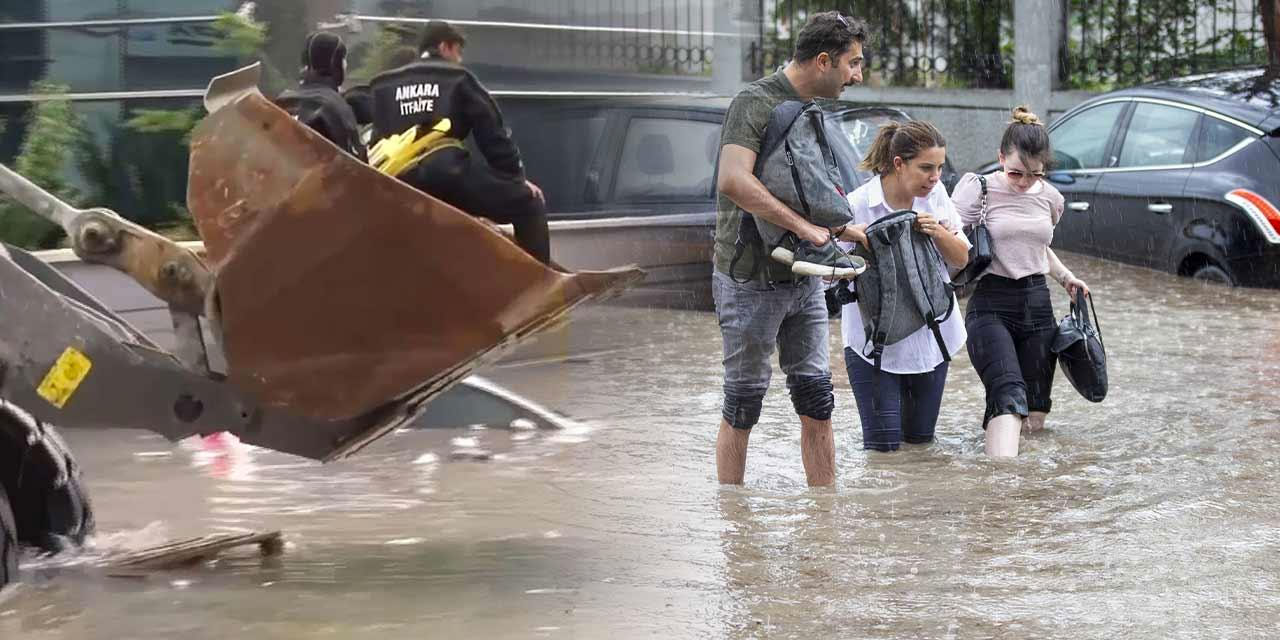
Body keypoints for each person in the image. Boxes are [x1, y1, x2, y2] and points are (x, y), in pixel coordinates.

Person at [712, 11, 869, 487]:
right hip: (750, 279)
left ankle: (825, 521)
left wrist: (843, 230)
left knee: (818, 400)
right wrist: (804, 227)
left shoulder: (813, 110)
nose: (858, 76)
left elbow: (804, 188)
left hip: (804, 276)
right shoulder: (753, 102)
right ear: (823, 61)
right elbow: (733, 180)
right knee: (743, 404)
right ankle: (733, 531)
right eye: (853, 63)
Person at [951, 106, 1091, 458]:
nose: (1024, 182)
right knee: (1008, 393)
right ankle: (1001, 486)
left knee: (1036, 412)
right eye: (1015, 173)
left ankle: (1029, 499)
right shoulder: (977, 190)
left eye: (1034, 174)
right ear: (1000, 158)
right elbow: (947, 237)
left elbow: (1039, 249)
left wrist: (1066, 278)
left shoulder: (1050, 198)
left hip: (1037, 305)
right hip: (990, 304)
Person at [368, 20, 550, 264]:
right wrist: (515, 180)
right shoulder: (457, 78)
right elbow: (493, 136)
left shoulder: (384, 85)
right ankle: (542, 282)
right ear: (444, 47)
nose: (459, 59)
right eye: (458, 51)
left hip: (399, 184)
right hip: (447, 175)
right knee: (530, 204)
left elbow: (377, 140)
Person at [836, 121, 970, 452]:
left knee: (921, 451)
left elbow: (961, 258)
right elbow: (828, 274)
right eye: (926, 168)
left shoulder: (936, 196)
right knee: (882, 454)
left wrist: (938, 233)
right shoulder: (858, 205)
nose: (935, 177)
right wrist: (853, 237)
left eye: (939, 167)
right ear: (898, 163)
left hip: (932, 341)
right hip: (873, 349)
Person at [275, 32, 367, 162]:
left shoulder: (284, 101)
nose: (345, 65)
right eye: (343, 59)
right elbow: (358, 162)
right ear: (336, 64)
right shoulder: (336, 105)